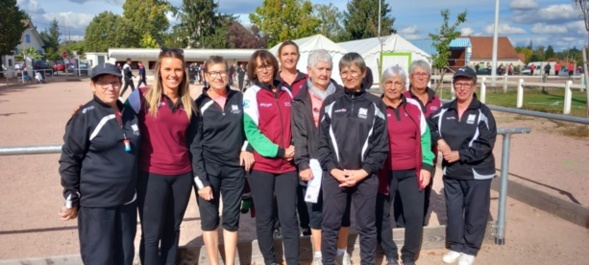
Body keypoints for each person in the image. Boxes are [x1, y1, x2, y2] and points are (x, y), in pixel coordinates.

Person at [58, 63, 141, 265]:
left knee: (124, 257)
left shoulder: (130, 114)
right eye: (103, 83)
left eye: (114, 82)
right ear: (93, 86)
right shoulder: (85, 116)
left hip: (127, 201)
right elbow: (70, 158)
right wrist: (71, 196)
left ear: (121, 84)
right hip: (97, 203)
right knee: (99, 259)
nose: (110, 88)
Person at [127, 48, 199, 265]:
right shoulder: (140, 96)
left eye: (178, 69)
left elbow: (194, 142)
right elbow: (118, 120)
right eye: (168, 69)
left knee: (173, 230)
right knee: (151, 234)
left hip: (182, 175)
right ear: (159, 71)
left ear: (184, 72)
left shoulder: (189, 103)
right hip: (151, 175)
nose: (173, 74)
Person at [318, 52, 389, 265]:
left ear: (363, 73)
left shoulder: (376, 105)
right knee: (330, 225)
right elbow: (321, 144)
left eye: (353, 72)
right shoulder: (330, 102)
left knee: (367, 227)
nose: (348, 76)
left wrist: (363, 171)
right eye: (344, 72)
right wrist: (333, 169)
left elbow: (381, 147)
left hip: (365, 177)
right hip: (335, 175)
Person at [428, 67, 497, 265]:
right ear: (454, 85)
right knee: (454, 210)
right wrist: (439, 141)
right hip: (452, 172)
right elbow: (429, 125)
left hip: (477, 172)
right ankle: (456, 246)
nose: (462, 88)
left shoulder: (483, 113)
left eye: (467, 84)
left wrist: (459, 154)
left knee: (475, 211)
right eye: (458, 83)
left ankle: (470, 249)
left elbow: (485, 144)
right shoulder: (444, 110)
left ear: (474, 86)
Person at [291, 49, 352, 265]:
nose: (324, 73)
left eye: (328, 69)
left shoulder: (343, 95)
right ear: (309, 71)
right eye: (320, 69)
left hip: (339, 163)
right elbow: (298, 135)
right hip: (314, 164)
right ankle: (318, 253)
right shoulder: (300, 100)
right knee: (315, 211)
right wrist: (302, 163)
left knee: (342, 211)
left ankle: (340, 251)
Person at [193, 56, 254, 265]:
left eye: (222, 72)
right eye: (213, 73)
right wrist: (201, 181)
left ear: (229, 74)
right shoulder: (198, 105)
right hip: (208, 171)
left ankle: (229, 262)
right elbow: (194, 145)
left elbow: (250, 130)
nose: (218, 77)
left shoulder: (239, 98)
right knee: (209, 220)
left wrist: (246, 149)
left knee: (231, 218)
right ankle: (213, 262)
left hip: (234, 170)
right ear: (205, 75)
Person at [242, 49, 299, 265]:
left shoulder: (287, 92)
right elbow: (252, 132)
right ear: (253, 71)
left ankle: (293, 260)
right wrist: (279, 151)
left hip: (287, 167)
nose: (264, 70)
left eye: (267, 65)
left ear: (274, 66)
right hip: (263, 166)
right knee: (265, 218)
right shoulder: (251, 94)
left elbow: (296, 124)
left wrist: (294, 146)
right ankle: (271, 261)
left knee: (289, 218)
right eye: (259, 66)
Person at [375, 65, 435, 265]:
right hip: (384, 172)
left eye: (397, 83)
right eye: (389, 82)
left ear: (404, 85)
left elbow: (425, 137)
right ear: (382, 84)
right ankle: (390, 252)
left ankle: (408, 256)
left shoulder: (413, 107)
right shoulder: (374, 107)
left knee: (415, 215)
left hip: (411, 172)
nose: (393, 87)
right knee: (382, 214)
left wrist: (427, 166)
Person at [395, 60, 442, 227]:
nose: (421, 77)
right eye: (417, 74)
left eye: (424, 74)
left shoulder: (436, 101)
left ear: (429, 77)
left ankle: (418, 227)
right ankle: (401, 228)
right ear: (410, 77)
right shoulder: (403, 98)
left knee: (424, 191)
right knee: (402, 196)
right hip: (408, 157)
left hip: (429, 157)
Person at [276, 40, 310, 236]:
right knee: (282, 192)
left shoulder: (307, 80)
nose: (289, 57)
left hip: (303, 143)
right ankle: (280, 227)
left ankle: (307, 227)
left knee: (304, 189)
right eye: (285, 54)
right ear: (279, 58)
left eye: (293, 54)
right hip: (280, 145)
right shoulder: (273, 81)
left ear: (298, 56)